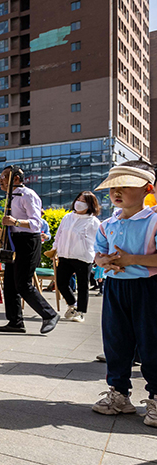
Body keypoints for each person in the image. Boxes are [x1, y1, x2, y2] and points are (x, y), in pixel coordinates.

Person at [89, 161, 157, 428]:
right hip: (115, 287)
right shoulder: (108, 223)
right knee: (116, 341)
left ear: (147, 189)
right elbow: (97, 253)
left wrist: (131, 259)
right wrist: (102, 261)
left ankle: (155, 398)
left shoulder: (153, 221)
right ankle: (118, 394)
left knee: (151, 342)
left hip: (148, 289)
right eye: (112, 188)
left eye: (125, 186)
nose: (116, 192)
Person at [0, 166, 60, 334]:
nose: (1, 180)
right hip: (13, 241)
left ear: (16, 179)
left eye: (4, 177)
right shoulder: (11, 196)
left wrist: (15, 222)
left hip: (27, 241)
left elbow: (36, 223)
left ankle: (49, 314)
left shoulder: (28, 195)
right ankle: (15, 322)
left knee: (23, 283)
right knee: (9, 283)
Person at [53, 191, 101, 323]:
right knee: (61, 282)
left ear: (90, 205)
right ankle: (72, 304)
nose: (79, 203)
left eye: (83, 201)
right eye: (78, 199)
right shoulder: (67, 217)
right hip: (65, 255)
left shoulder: (93, 221)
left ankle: (81, 312)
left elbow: (99, 240)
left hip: (83, 257)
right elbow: (59, 234)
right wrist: (55, 248)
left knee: (83, 285)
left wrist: (98, 256)